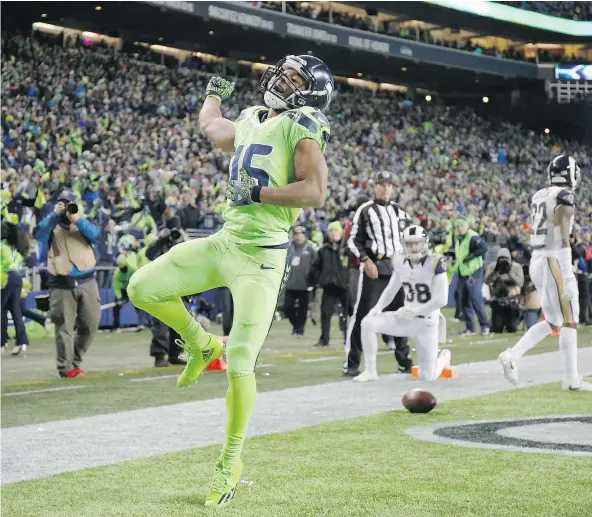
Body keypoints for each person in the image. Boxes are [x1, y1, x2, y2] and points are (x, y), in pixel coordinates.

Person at [128, 54, 334, 507]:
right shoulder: (253, 118)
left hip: (262, 257)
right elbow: (211, 127)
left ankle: (231, 459)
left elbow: (316, 191)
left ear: (311, 91)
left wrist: (259, 192)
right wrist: (213, 95)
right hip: (225, 242)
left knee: (240, 363)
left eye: (295, 77)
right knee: (141, 287)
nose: (281, 78)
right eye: (283, 70)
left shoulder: (301, 123)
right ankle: (200, 343)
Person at [499, 155, 591, 391]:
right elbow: (562, 239)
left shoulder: (539, 194)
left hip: (539, 258)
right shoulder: (564, 196)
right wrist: (568, 276)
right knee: (570, 319)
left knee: (554, 320)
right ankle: (571, 380)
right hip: (553, 259)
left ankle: (513, 355)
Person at [354, 226, 451, 382]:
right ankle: (370, 370)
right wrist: (378, 307)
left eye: (417, 243)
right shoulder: (399, 260)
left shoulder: (435, 262)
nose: (413, 247)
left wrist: (416, 310)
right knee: (367, 323)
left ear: (425, 243)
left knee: (428, 376)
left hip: (426, 322)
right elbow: (391, 290)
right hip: (405, 318)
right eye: (409, 243)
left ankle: (444, 357)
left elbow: (441, 300)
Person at [345, 171, 411, 377]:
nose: (385, 188)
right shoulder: (365, 210)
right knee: (364, 315)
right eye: (381, 184)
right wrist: (366, 260)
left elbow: (411, 238)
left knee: (402, 315)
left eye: (389, 184)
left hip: (398, 268)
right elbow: (353, 240)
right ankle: (352, 363)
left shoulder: (401, 212)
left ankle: (404, 362)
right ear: (374, 187)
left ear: (393, 188)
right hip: (376, 266)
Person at [33, 190, 101, 378]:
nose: (67, 208)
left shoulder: (83, 221)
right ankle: (66, 368)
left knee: (91, 323)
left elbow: (97, 236)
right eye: (63, 204)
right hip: (61, 283)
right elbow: (38, 234)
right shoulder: (52, 223)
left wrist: (77, 218)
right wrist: (55, 214)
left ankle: (75, 361)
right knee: (64, 327)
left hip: (87, 279)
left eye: (70, 204)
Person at [308, 221, 349, 347]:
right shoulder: (323, 250)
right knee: (326, 313)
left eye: (335, 230)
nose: (333, 233)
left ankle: (349, 338)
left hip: (345, 286)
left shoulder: (346, 249)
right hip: (329, 286)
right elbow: (315, 268)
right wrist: (321, 279)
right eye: (331, 231)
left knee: (349, 313)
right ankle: (324, 339)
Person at [453, 216, 490, 336]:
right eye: (457, 227)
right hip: (463, 272)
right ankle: (470, 328)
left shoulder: (472, 236)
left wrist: (472, 255)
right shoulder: (459, 238)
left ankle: (485, 325)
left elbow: (484, 248)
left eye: (461, 226)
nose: (459, 228)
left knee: (475, 298)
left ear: (465, 226)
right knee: (464, 301)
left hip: (474, 272)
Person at [1, 217, 30, 355]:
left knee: (1, 309)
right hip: (17, 278)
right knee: (15, 310)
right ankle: (22, 341)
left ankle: (1, 342)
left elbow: (3, 266)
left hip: (6, 277)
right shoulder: (16, 250)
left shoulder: (1, 247)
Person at [284, 226, 317, 337]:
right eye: (296, 234)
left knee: (303, 309)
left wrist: (313, 281)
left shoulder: (310, 248)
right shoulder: (288, 247)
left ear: (304, 235)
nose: (298, 236)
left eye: (300, 234)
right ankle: (296, 326)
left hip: (305, 284)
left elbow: (315, 266)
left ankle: (300, 330)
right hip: (291, 283)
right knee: (288, 307)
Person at [484, 248, 524, 333]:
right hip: (498, 299)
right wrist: (495, 271)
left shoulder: (516, 267)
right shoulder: (493, 266)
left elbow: (520, 283)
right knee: (497, 328)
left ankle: (517, 318)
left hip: (512, 300)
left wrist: (509, 272)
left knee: (512, 328)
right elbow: (486, 281)